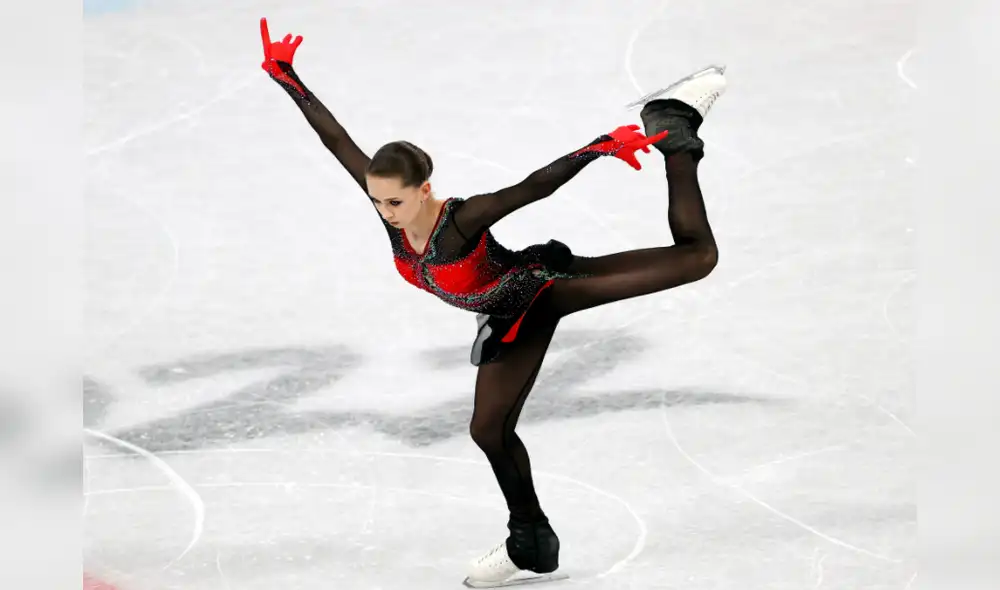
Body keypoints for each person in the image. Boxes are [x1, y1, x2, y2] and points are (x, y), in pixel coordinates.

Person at [259, 17, 727, 588]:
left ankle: (675, 127)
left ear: (423, 190)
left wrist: (598, 149)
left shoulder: (462, 220)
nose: (384, 212)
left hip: (547, 286)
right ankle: (529, 542)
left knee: (697, 258)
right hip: (508, 316)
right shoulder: (389, 207)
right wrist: (290, 79)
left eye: (394, 201)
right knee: (489, 431)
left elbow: (531, 186)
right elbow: (337, 140)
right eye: (377, 200)